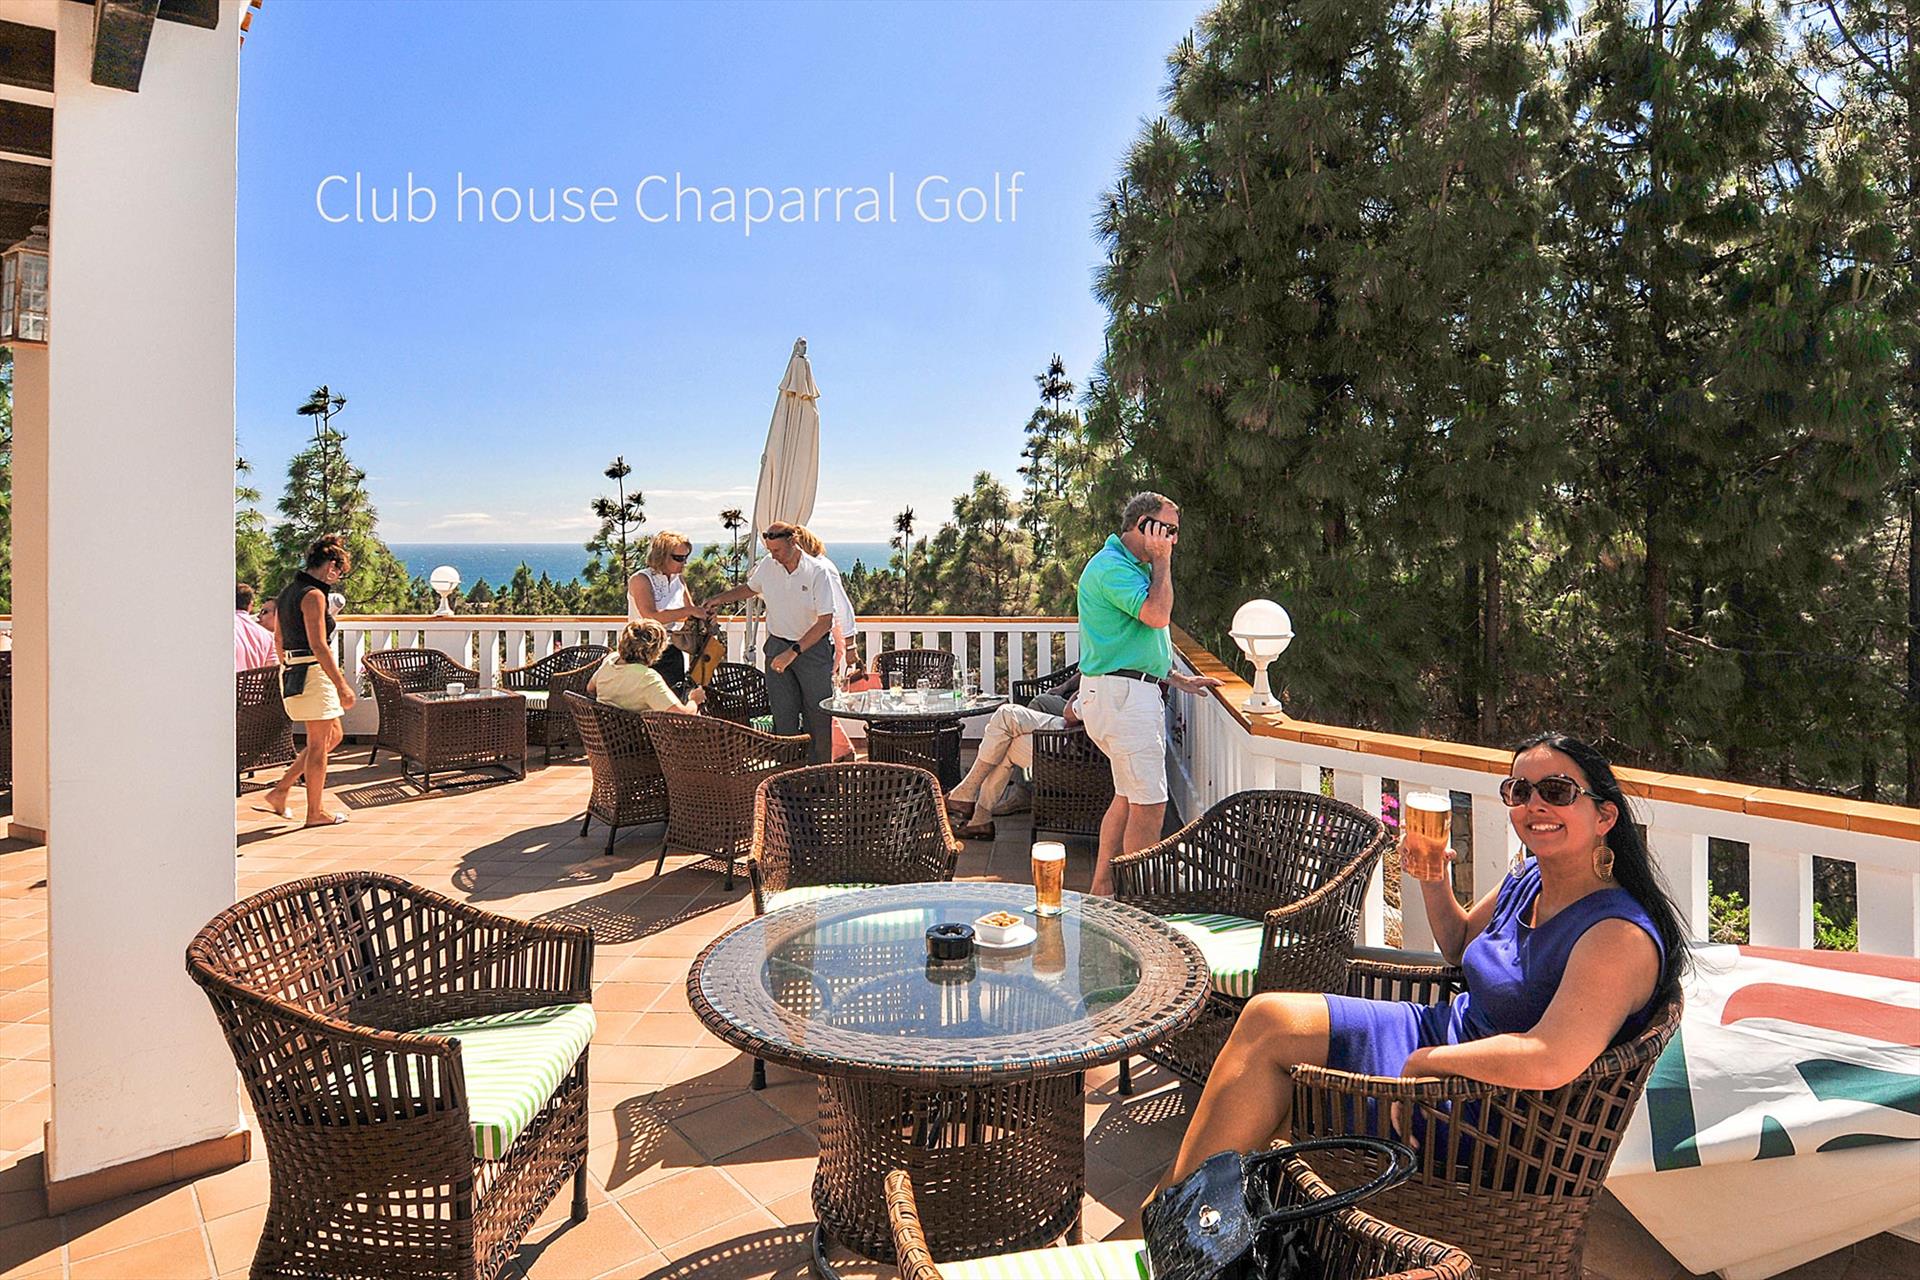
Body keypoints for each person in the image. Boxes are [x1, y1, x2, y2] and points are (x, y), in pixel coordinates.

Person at [1153, 732, 1689, 1196]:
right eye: (1520, 791)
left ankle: (1178, 1220)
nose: (1534, 805)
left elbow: (1550, 1058)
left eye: (1557, 791)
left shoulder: (1615, 935)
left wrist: (1431, 1062)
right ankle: (1186, 1209)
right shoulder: (1530, 876)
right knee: (1268, 1017)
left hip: (1490, 1105)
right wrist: (1434, 880)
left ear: (1604, 816)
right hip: (1444, 1038)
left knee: (1270, 1091)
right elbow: (1459, 946)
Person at [1075, 492, 1221, 894]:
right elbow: (1157, 616)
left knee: (1126, 798)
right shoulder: (1113, 568)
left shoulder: (1127, 566)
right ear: (1143, 525)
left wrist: (1175, 677)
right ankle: (1138, 901)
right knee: (1150, 805)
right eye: (1168, 529)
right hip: (1124, 700)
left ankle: (1103, 891)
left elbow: (1133, 644)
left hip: (1121, 694)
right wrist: (1163, 561)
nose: (1174, 539)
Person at [705, 521, 837, 762]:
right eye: (770, 550)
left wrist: (793, 652)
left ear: (793, 541)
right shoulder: (768, 564)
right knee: (783, 715)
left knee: (818, 716)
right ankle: (787, 774)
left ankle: (819, 776)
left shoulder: (817, 571)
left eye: (777, 550)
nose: (773, 556)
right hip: (777, 645)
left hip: (812, 650)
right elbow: (750, 588)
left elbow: (825, 622)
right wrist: (719, 599)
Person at [256, 535, 358, 827]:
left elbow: (279, 638)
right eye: (339, 571)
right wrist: (341, 685)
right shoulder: (313, 595)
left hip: (294, 670)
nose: (338, 576)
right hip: (313, 672)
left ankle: (281, 789)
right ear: (330, 565)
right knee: (317, 745)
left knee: (332, 736)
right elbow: (319, 645)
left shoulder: (289, 592)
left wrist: (287, 667)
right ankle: (315, 813)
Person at [945, 678, 1081, 841]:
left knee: (1005, 717)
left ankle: (966, 795)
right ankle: (979, 817)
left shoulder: (1105, 684)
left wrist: (1078, 694)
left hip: (1078, 744)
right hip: (1076, 732)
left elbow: (1070, 713)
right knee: (1005, 736)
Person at [627, 530, 709, 691]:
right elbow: (650, 617)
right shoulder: (641, 579)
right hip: (643, 650)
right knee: (645, 698)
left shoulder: (679, 579)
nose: (684, 563)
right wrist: (689, 611)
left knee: (675, 697)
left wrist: (702, 613)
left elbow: (689, 613)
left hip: (671, 649)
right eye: (679, 558)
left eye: (685, 557)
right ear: (661, 555)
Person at [588, 619, 706, 715]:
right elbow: (682, 716)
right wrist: (694, 700)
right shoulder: (648, 678)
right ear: (657, 650)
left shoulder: (611, 660)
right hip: (637, 735)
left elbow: (590, 688)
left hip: (604, 731)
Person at [791, 525, 860, 677]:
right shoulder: (799, 569)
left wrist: (850, 646)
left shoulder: (822, 568)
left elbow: (842, 606)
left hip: (819, 643)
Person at [234, 582, 276, 671]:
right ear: (250, 605)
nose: (259, 616)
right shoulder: (268, 637)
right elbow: (272, 671)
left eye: (264, 612)